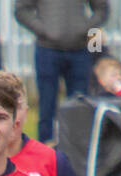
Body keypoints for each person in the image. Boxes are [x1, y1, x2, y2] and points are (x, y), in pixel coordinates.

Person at [13, 1, 108, 144]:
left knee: (80, 107)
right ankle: (45, 153)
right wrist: (43, 29)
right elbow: (21, 10)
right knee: (47, 107)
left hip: (80, 50)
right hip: (47, 49)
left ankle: (77, 153)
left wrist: (85, 28)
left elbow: (102, 9)